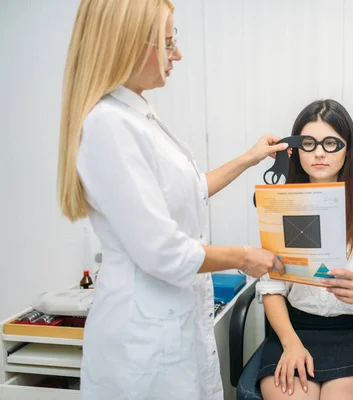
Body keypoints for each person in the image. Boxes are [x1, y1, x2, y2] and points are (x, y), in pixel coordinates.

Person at [56, 1, 286, 399]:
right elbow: (163, 251)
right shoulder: (108, 127)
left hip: (169, 324)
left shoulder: (137, 117)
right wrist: (244, 257)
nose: (176, 54)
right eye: (166, 43)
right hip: (141, 339)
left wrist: (250, 158)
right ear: (127, 44)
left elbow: (190, 191)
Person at [256, 99, 353, 400]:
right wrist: (290, 342)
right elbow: (271, 287)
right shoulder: (279, 206)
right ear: (296, 150)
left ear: (348, 149)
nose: (319, 153)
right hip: (295, 331)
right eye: (309, 144)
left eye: (331, 143)